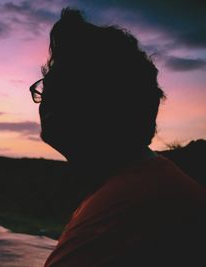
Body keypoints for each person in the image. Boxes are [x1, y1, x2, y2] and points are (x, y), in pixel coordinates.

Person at [29, 8, 206, 267]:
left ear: (106, 100)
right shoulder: (149, 185)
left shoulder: (117, 219)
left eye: (55, 86)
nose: (44, 102)